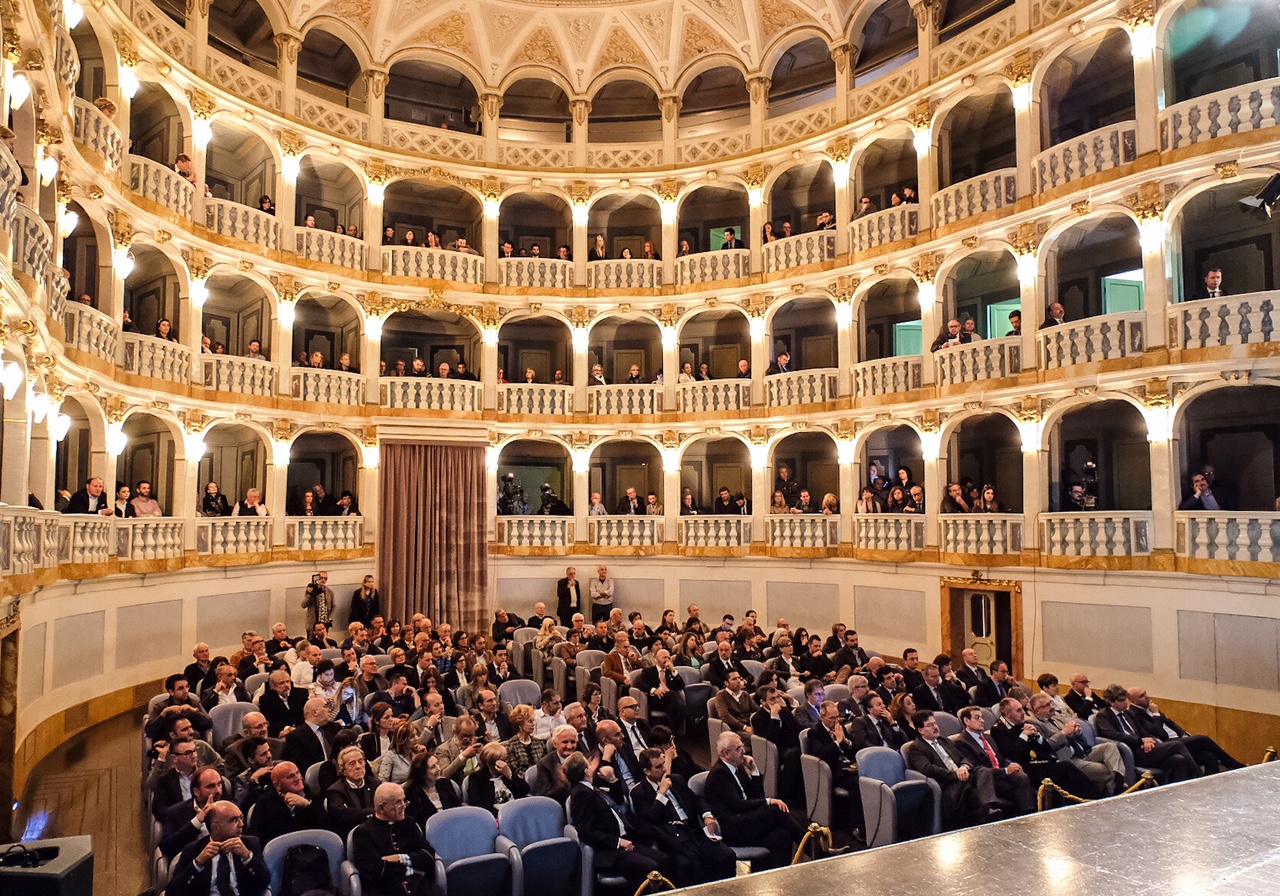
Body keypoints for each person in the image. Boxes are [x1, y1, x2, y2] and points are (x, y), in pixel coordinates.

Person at [629, 746, 737, 888]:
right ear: (647, 771)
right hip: (672, 840)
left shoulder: (677, 779)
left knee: (726, 855)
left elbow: (697, 799)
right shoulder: (639, 793)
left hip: (694, 832)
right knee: (685, 864)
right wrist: (660, 794)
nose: (664, 769)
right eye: (658, 767)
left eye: (663, 764)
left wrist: (707, 815)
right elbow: (650, 820)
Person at [702, 731, 802, 869]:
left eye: (742, 747)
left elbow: (756, 796)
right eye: (738, 749)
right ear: (726, 754)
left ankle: (778, 879)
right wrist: (768, 801)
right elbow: (737, 804)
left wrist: (754, 771)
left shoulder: (739, 767)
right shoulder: (719, 774)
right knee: (777, 810)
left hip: (747, 821)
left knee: (782, 836)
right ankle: (814, 846)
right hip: (734, 829)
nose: (743, 751)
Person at [906, 712, 1009, 828]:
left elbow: (964, 758)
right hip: (949, 784)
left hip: (963, 775)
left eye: (935, 723)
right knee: (975, 792)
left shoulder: (944, 741)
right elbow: (927, 769)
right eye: (930, 725)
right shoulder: (916, 748)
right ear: (920, 730)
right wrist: (955, 774)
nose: (935, 727)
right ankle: (990, 810)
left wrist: (964, 767)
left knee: (983, 770)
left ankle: (989, 806)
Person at [1092, 684, 1200, 783]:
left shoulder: (1128, 713)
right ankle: (1197, 774)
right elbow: (1112, 734)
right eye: (1121, 701)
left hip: (1145, 748)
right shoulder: (1103, 715)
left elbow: (1142, 731)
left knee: (1178, 760)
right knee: (1177, 745)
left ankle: (1180, 789)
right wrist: (1140, 741)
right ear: (1111, 702)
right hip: (1131, 752)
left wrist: (1147, 739)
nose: (1125, 702)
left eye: (1125, 699)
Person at [166, 801, 269, 896]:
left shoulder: (250, 844)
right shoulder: (193, 850)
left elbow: (264, 882)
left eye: (241, 818)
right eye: (234, 820)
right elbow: (172, 892)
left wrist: (247, 857)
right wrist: (197, 863)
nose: (241, 824)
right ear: (216, 827)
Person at [350, 783, 437, 896]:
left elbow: (429, 857)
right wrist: (414, 866)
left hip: (419, 888)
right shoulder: (363, 833)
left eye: (404, 800)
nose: (403, 806)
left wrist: (399, 858)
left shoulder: (409, 823)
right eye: (397, 802)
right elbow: (374, 874)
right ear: (381, 808)